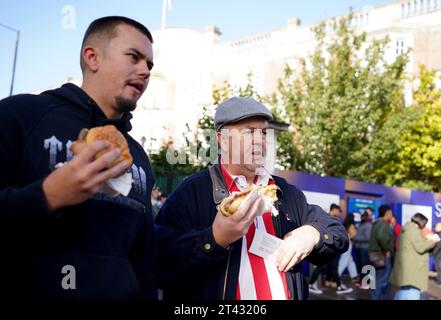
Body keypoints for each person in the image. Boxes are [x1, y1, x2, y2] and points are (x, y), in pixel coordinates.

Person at [0, 16, 157, 299]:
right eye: (134, 57)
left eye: (149, 64)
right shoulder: (20, 115)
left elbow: (143, 259)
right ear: (92, 58)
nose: (145, 70)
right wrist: (46, 196)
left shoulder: (138, 157)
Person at [155, 97, 348, 300]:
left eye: (264, 132)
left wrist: (312, 234)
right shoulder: (192, 192)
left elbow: (337, 233)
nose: (259, 140)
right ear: (222, 139)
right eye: (249, 131)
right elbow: (160, 264)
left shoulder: (283, 191)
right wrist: (214, 239)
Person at [390, 213, 440, 300]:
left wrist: (425, 239)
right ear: (421, 222)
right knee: (413, 291)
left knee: (404, 290)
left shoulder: (407, 229)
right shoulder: (414, 231)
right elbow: (421, 247)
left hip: (407, 267)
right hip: (414, 268)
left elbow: (414, 246)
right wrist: (432, 241)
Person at [368, 205, 394, 300]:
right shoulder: (382, 223)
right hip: (382, 256)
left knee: (379, 279)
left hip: (377, 255)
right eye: (390, 213)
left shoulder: (377, 223)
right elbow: (381, 237)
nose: (391, 215)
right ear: (387, 213)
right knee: (382, 280)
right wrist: (387, 249)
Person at [354, 211, 372, 285]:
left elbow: (368, 238)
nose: (362, 217)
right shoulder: (361, 224)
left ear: (367, 217)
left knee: (365, 266)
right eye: (362, 216)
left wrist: (357, 238)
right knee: (361, 265)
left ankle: (366, 282)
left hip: (365, 249)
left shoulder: (368, 225)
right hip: (359, 248)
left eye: (364, 216)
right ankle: (362, 280)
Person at [432, 222, 441, 287]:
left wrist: (431, 253)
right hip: (437, 255)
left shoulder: (439, 235)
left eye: (437, 226)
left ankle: (439, 282)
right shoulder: (436, 234)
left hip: (439, 255)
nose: (435, 227)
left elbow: (438, 246)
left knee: (439, 268)